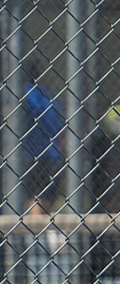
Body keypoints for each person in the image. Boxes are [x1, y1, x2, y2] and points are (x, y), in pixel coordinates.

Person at [21, 59, 65, 217]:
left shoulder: (23, 93)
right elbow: (61, 129)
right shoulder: (47, 94)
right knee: (44, 200)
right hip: (53, 155)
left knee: (33, 200)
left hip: (31, 154)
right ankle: (39, 236)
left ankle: (34, 239)